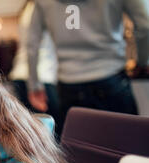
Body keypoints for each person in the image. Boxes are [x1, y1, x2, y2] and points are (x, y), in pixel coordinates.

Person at [27, 0, 149, 132]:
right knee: (126, 144)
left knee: (81, 148)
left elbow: (32, 44)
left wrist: (35, 85)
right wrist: (142, 61)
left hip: (69, 86)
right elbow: (145, 26)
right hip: (111, 79)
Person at [9, 0, 62, 138]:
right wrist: (35, 84)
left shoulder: (27, 8)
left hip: (21, 76)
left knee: (36, 137)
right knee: (54, 135)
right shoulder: (44, 7)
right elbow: (33, 48)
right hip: (40, 78)